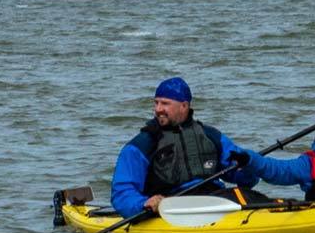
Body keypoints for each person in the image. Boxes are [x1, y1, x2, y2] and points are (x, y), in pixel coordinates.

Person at [110, 77, 258, 217]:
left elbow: (247, 180)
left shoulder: (211, 136)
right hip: (172, 209)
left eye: (165, 103)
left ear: (184, 106)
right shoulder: (141, 145)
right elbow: (122, 192)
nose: (158, 109)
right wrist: (143, 204)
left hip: (215, 201)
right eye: (156, 103)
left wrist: (246, 169)